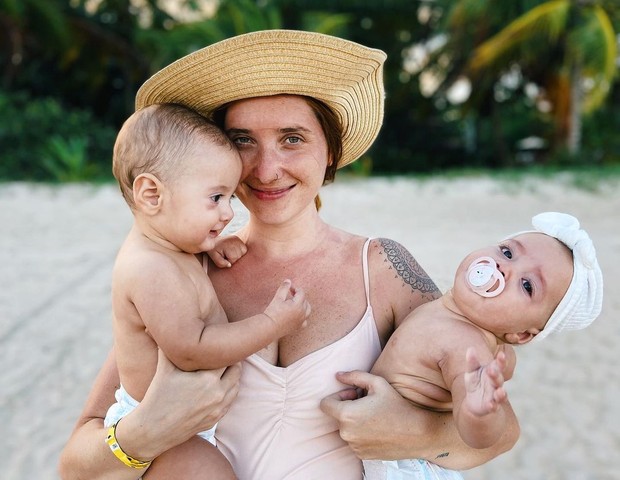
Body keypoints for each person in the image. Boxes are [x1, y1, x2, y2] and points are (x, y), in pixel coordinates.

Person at [58, 30, 520, 480]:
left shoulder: (382, 268)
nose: (265, 169)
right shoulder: (183, 268)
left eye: (292, 138)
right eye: (242, 140)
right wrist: (141, 436)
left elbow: (501, 433)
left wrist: (413, 432)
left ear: (331, 153)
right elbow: (75, 466)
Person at [103, 102, 312, 476]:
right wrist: (273, 323)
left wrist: (210, 245)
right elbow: (192, 350)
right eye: (215, 198)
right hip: (166, 433)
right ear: (151, 195)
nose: (228, 213)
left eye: (229, 198)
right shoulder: (149, 268)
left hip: (188, 422)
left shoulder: (170, 249)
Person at [362, 211, 603, 480]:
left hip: (405, 468)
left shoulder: (465, 344)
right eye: (508, 252)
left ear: (521, 334)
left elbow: (478, 435)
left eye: (526, 285)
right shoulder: (468, 327)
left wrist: (479, 413)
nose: (503, 268)